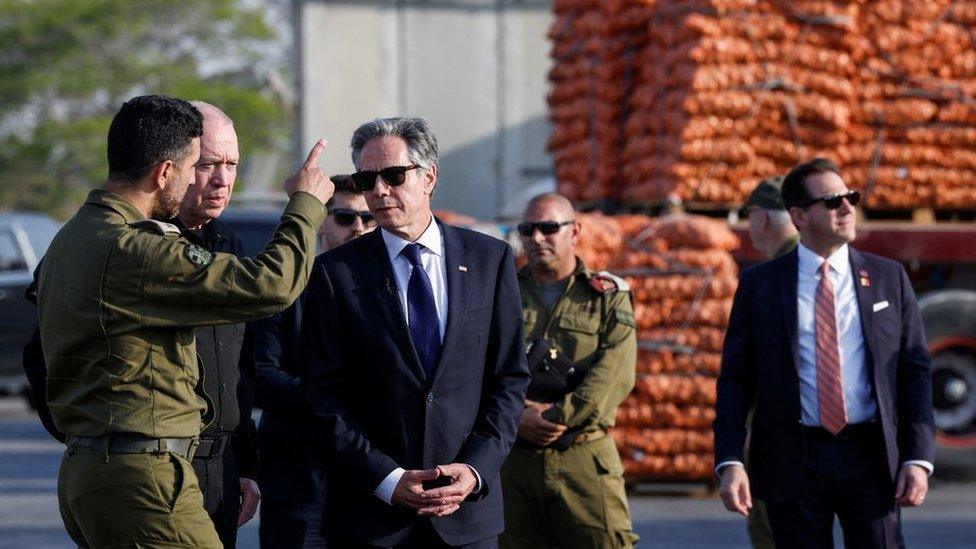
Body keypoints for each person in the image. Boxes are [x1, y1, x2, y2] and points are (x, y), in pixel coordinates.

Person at [36, 94, 333, 548]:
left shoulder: (74, 236)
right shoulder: (137, 249)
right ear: (164, 173)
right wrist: (305, 205)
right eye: (199, 164)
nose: (216, 178)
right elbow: (272, 286)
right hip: (144, 477)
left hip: (95, 467)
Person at [301, 116, 530, 548]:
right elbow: (322, 397)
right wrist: (387, 479)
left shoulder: (489, 260)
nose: (379, 190)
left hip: (467, 517)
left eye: (393, 175)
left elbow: (509, 378)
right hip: (372, 519)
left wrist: (475, 470)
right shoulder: (336, 274)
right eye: (368, 179)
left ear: (430, 177)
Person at [714, 158, 935, 548]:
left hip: (870, 458)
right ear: (798, 216)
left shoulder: (887, 277)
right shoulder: (760, 285)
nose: (848, 208)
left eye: (851, 197)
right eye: (833, 202)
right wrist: (730, 461)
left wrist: (917, 457)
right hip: (794, 459)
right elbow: (736, 380)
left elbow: (913, 370)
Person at [500, 192, 638, 549]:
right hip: (514, 459)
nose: (537, 238)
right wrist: (517, 417)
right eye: (527, 230)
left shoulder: (606, 296)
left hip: (582, 456)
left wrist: (556, 416)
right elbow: (476, 365)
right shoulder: (500, 292)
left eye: (548, 228)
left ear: (575, 231)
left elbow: (614, 375)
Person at [254, 173, 376, 548]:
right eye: (345, 218)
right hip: (300, 485)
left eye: (368, 218)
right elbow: (261, 375)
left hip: (372, 484)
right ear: (322, 219)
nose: (359, 227)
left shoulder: (392, 290)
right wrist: (330, 400)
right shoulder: (287, 287)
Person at [170, 101, 260, 547]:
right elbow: (47, 354)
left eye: (232, 164)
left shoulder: (230, 243)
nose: (223, 179)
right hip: (160, 469)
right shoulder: (132, 244)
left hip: (221, 470)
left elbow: (237, 369)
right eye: (208, 165)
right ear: (174, 164)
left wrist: (246, 466)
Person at [737, 175, 799, 549]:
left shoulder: (776, 277)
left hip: (779, 435)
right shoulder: (803, 266)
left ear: (761, 219)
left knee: (774, 532)